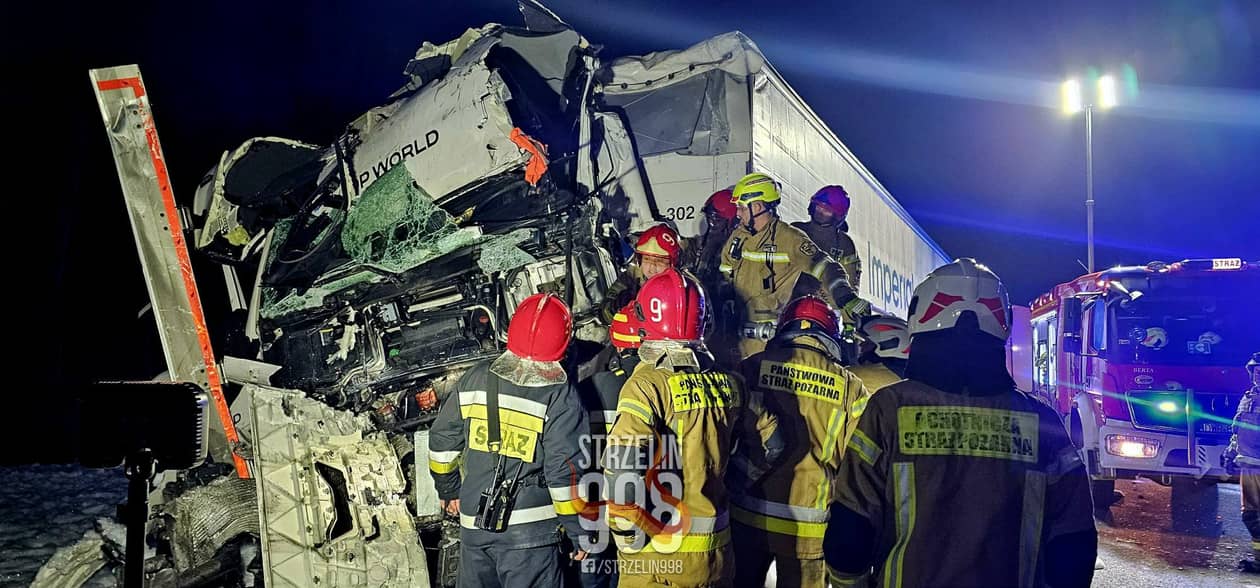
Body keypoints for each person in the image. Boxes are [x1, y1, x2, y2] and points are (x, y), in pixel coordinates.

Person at [823, 258, 1097, 587]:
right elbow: (1074, 543)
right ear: (1002, 327)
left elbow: (849, 531)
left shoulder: (889, 410)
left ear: (919, 318)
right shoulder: (1043, 424)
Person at [604, 268, 783, 587]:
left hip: (658, 561)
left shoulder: (647, 384)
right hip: (716, 557)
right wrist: (736, 482)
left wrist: (626, 537)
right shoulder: (731, 384)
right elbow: (774, 444)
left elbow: (622, 467)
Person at [428, 293, 590, 588]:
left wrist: (449, 490)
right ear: (563, 345)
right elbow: (563, 472)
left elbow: (441, 441)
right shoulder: (560, 394)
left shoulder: (476, 378)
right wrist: (577, 530)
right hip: (530, 536)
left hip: (474, 525)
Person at [730, 295, 871, 588]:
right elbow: (858, 462)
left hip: (748, 514)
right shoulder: (851, 388)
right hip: (809, 526)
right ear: (829, 336)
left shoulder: (752, 367)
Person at [718, 172, 869, 360]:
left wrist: (845, 297)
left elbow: (825, 266)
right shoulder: (738, 237)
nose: (737, 213)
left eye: (741, 208)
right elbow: (724, 273)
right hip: (735, 341)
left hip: (769, 345)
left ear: (757, 206)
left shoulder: (790, 238)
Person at [573, 304, 644, 587]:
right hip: (638, 501)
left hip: (594, 498)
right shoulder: (654, 387)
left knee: (594, 571)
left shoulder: (589, 385)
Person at [600, 224, 684, 325]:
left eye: (660, 261)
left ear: (674, 264)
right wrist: (616, 305)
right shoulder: (632, 276)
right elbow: (603, 314)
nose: (652, 268)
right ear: (639, 259)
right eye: (647, 259)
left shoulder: (686, 285)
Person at [1224, 351, 1260, 573]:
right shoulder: (1248, 397)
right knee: (1251, 516)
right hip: (1249, 466)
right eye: (1257, 370)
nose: (1259, 375)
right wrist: (1230, 452)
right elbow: (1238, 429)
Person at [792, 185, 862, 289]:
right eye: (819, 207)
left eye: (827, 210)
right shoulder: (796, 230)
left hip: (825, 302)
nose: (820, 212)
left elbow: (850, 283)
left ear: (837, 216)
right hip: (789, 299)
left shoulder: (845, 244)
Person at [849, 314, 910, 391]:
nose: (861, 345)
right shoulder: (906, 379)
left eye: (867, 343)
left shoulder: (858, 376)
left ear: (887, 345)